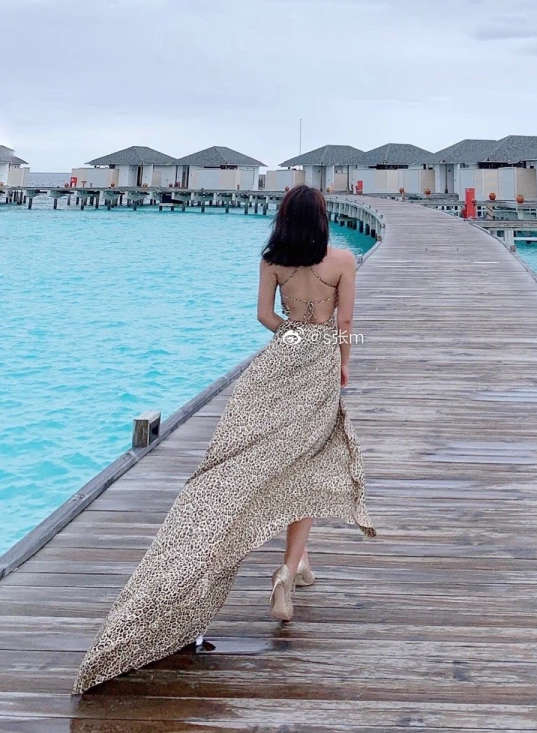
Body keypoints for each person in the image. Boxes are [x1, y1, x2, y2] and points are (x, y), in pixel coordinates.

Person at [72, 184, 375, 695]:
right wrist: (341, 362)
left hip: (278, 364)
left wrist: (291, 334)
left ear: (285, 219)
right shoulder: (343, 261)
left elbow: (264, 316)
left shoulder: (272, 261)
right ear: (322, 219)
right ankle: (288, 569)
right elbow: (345, 322)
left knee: (256, 459)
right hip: (320, 365)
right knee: (309, 461)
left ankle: (297, 563)